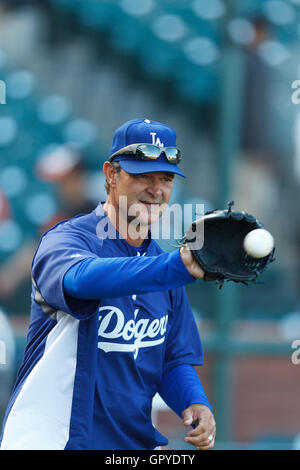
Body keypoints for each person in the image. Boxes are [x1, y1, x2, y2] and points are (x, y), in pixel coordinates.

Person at [0, 118, 216, 450]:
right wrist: (176, 266)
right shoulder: (66, 239)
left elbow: (172, 358)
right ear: (111, 175)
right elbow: (83, 279)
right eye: (142, 175)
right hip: (52, 440)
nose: (156, 189)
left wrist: (195, 403)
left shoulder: (164, 268)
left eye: (165, 178)